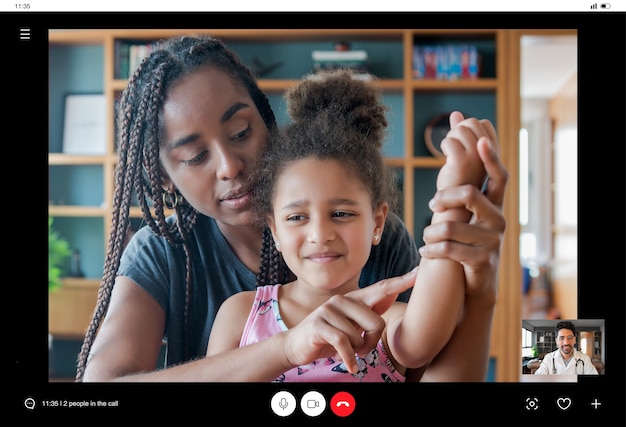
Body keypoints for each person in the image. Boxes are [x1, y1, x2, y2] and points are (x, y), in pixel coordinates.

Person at [75, 34, 508, 382]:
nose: (229, 166)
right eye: (194, 156)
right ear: (164, 175)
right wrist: (286, 348)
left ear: (266, 121)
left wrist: (479, 285)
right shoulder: (163, 252)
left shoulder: (376, 238)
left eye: (241, 131)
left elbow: (423, 350)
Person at [206, 69, 488, 381]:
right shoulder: (240, 314)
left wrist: (453, 198)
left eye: (341, 214)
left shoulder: (386, 321)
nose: (320, 234)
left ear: (377, 223)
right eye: (297, 217)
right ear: (275, 231)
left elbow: (423, 340)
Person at [534, 321, 599, 375]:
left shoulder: (585, 359)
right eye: (562, 338)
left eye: (569, 337)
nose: (566, 342)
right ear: (556, 341)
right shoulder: (548, 359)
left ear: (574, 340)